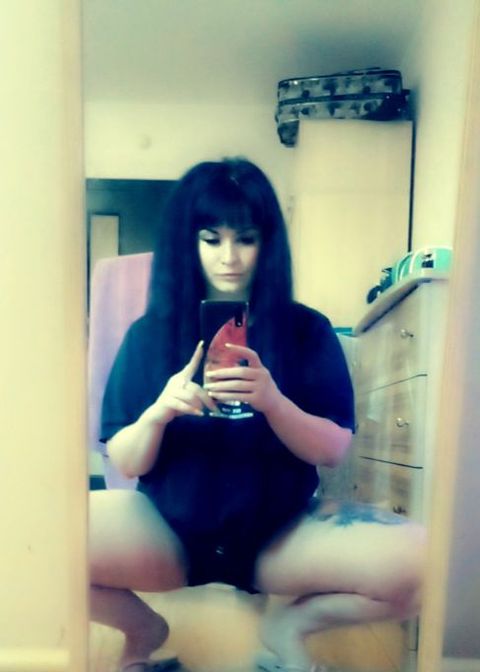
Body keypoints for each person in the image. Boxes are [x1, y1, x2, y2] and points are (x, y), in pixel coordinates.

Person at [90, 158, 426, 672]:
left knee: (426, 563)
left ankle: (288, 627)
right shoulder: (149, 334)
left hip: (279, 532)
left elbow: (333, 449)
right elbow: (127, 460)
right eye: (211, 239)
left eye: (245, 238)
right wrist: (158, 413)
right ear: (188, 243)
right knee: (32, 541)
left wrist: (274, 401)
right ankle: (142, 631)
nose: (229, 257)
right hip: (166, 529)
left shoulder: (306, 330)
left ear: (267, 242)